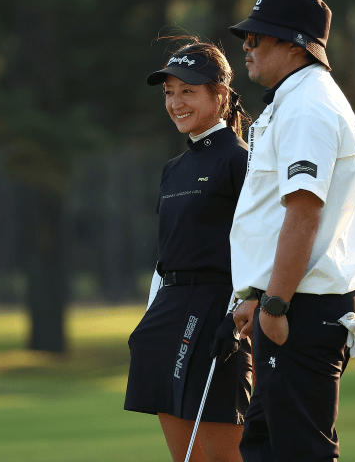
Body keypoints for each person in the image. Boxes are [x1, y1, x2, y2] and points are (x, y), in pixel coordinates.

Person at [227, 0, 355, 462]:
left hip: (301, 306)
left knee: (301, 454)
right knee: (264, 449)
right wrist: (258, 295)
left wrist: (274, 304)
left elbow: (303, 214)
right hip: (291, 301)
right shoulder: (294, 99)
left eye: (257, 38)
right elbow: (276, 216)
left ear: (295, 44)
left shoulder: (307, 107)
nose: (247, 47)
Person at [125, 37, 254, 462]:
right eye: (169, 92)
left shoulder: (241, 160)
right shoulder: (173, 169)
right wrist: (149, 318)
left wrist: (241, 316)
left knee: (224, 457)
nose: (175, 103)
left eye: (188, 91)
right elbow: (166, 256)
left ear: (220, 95)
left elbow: (259, 245)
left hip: (217, 314)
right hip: (167, 315)